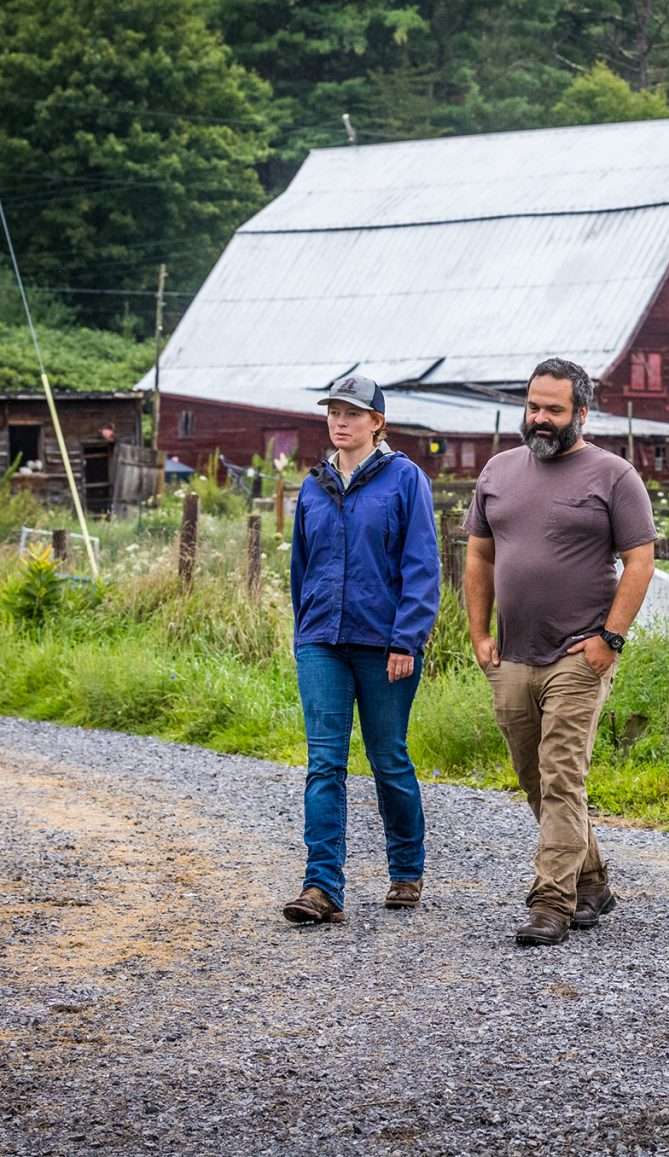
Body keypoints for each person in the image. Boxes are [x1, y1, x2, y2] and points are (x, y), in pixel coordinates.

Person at [464, 358, 656, 947]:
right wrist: (478, 635)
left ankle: (553, 900)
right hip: (512, 655)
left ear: (581, 413)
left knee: (562, 774)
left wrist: (609, 639)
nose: (540, 419)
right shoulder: (497, 471)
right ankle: (592, 879)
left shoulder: (614, 475)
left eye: (553, 409)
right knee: (533, 778)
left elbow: (640, 562)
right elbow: (479, 557)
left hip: (579, 653)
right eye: (533, 407)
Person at [282, 375, 441, 925]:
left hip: (384, 646)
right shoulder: (313, 485)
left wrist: (407, 639)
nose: (339, 421)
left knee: (387, 758)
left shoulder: (405, 480)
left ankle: (406, 869)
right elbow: (300, 568)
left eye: (351, 412)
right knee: (324, 762)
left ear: (377, 422)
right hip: (322, 642)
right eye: (332, 411)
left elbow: (422, 565)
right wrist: (304, 631)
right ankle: (321, 887)